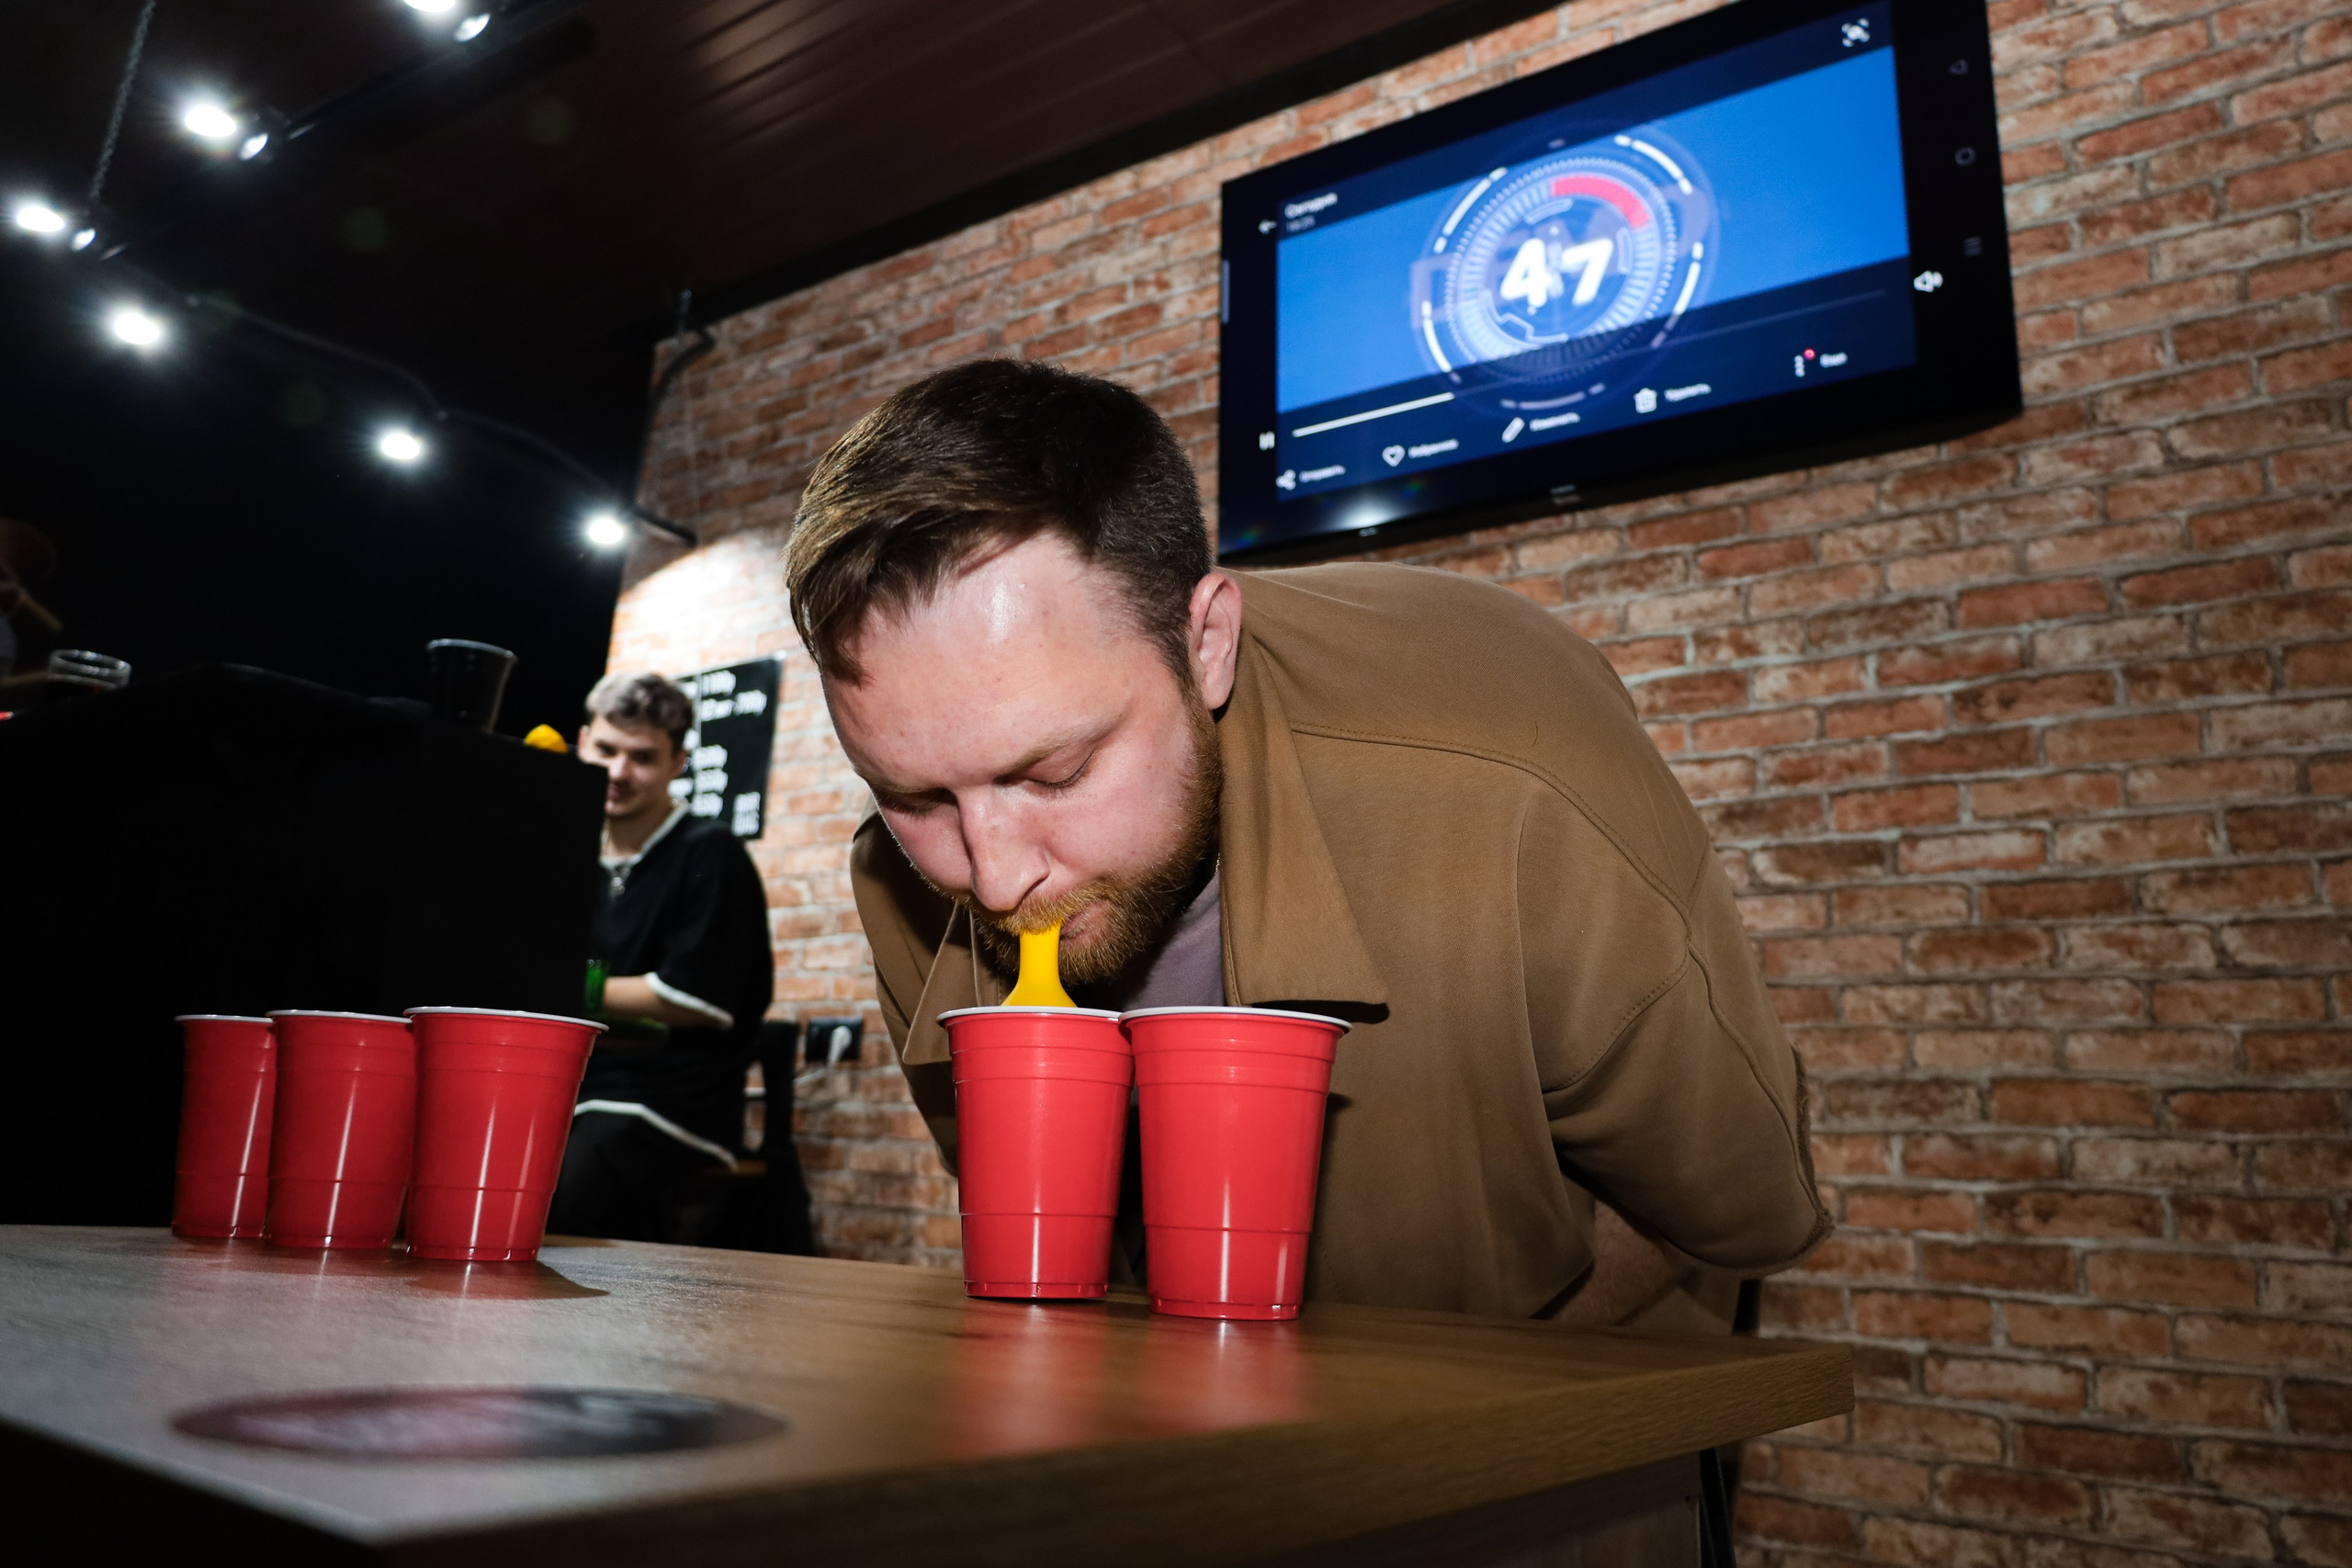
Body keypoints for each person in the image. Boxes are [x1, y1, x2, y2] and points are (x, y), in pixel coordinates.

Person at [789, 358, 1830, 1329]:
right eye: (914, 797)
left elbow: (1730, 1214)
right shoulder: (901, 874)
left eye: (1055, 773)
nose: (997, 872)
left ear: (1205, 645)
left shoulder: (1512, 773)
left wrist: (1405, 1449)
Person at [548, 671, 775, 1243]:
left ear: (678, 763)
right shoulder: (566, 852)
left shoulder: (711, 852)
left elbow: (694, 996)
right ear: (581, 741)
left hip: (669, 1100)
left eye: (643, 757)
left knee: (561, 1198)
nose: (618, 772)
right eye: (606, 749)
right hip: (571, 1086)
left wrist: (558, 984)